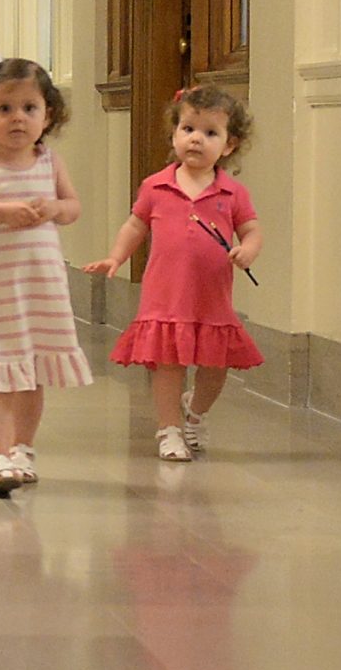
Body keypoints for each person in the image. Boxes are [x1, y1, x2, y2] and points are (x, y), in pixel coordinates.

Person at [84, 85, 264, 461]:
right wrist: (116, 258)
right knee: (168, 365)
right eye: (188, 129)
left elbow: (251, 229)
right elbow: (135, 226)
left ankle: (195, 412)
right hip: (165, 295)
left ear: (229, 146)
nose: (196, 139)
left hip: (211, 297)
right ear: (174, 133)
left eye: (210, 133)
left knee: (214, 367)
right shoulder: (156, 186)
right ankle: (169, 429)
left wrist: (247, 250)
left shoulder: (232, 193)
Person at [0, 58, 91, 497]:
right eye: (5, 108)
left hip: (38, 290)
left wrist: (56, 209)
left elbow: (73, 207)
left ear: (49, 115)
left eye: (29, 108)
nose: (18, 118)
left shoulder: (49, 163)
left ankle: (23, 448)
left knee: (32, 372)